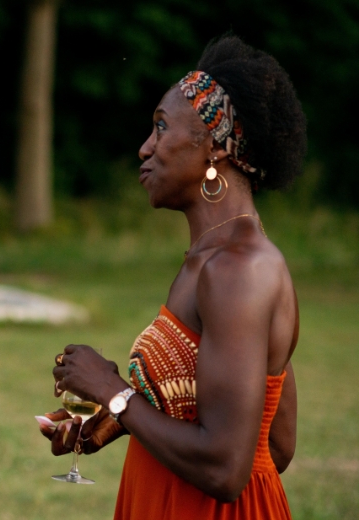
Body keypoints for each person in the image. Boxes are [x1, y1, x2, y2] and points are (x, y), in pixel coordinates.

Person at [40, 35, 304, 519]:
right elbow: (275, 439)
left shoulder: (238, 270)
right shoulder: (209, 260)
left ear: (215, 147)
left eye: (161, 128)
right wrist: (118, 422)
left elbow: (229, 469)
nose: (145, 148)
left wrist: (111, 391)